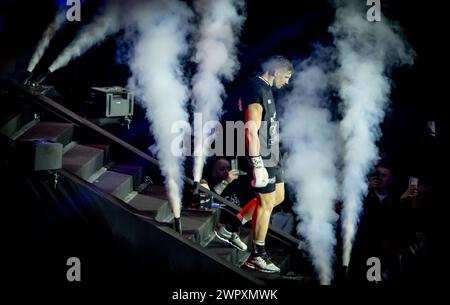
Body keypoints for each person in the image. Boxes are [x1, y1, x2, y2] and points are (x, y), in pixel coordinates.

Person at [214, 55, 293, 273]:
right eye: (286, 76)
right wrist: (257, 163)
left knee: (278, 197)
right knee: (265, 203)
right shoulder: (256, 88)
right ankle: (257, 255)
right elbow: (250, 130)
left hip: (271, 153)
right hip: (261, 155)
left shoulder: (266, 89)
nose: (287, 82)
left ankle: (230, 228)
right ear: (276, 70)